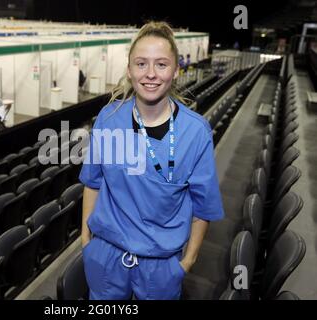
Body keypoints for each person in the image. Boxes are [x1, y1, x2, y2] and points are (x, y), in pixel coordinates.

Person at [79, 21, 224, 300]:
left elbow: (203, 207)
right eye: (141, 64)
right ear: (129, 70)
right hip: (106, 257)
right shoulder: (108, 118)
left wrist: (186, 263)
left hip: (160, 267)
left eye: (161, 64)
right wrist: (87, 243)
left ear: (176, 70)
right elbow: (92, 184)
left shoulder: (196, 131)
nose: (150, 74)